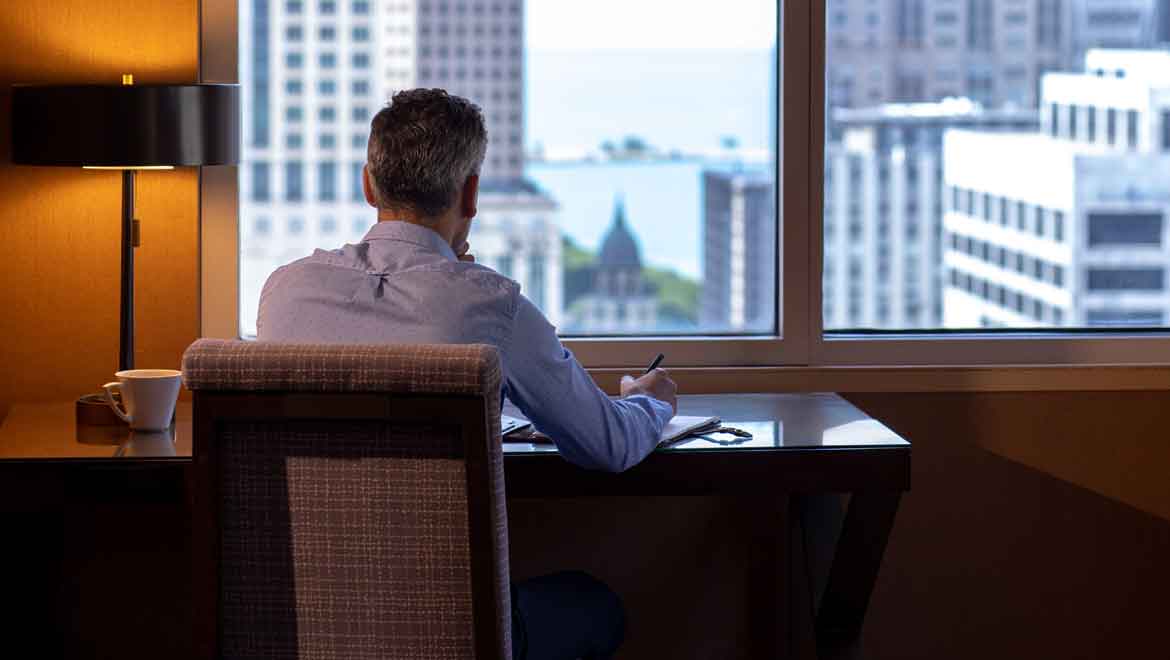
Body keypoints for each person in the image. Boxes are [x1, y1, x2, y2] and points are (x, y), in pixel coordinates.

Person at [257, 88, 679, 660]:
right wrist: (649, 400)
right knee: (594, 603)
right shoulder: (490, 307)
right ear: (471, 193)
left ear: (368, 185)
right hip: (448, 632)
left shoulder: (284, 292)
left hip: (299, 626)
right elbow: (608, 444)